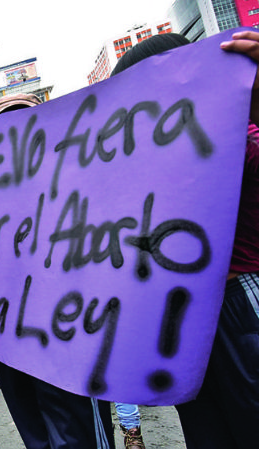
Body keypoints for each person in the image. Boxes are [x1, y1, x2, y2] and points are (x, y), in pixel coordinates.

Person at [0, 95, 116, 449]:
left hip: (65, 334)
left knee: (75, 437)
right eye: (3, 129)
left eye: (26, 124)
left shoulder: (74, 177)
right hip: (6, 339)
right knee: (37, 437)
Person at [109, 30, 259, 449]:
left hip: (237, 301)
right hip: (178, 315)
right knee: (205, 427)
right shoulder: (144, 161)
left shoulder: (236, 133)